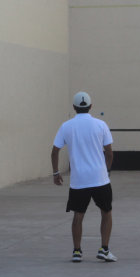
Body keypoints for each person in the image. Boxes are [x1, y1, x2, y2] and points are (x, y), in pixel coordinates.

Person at [51, 91, 116, 263]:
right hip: (100, 179)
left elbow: (55, 151)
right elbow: (109, 153)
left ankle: (77, 252)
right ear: (91, 106)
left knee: (78, 216)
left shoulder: (66, 126)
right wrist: (107, 170)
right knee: (106, 213)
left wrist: (56, 173)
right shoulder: (101, 124)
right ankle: (104, 249)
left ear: (74, 107)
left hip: (79, 181)